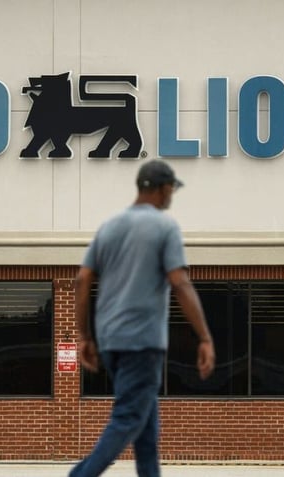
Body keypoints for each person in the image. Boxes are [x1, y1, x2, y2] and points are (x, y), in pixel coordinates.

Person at [70, 159, 216, 477]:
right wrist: (204, 337)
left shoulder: (109, 227)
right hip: (142, 342)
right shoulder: (165, 227)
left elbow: (82, 280)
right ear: (162, 189)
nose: (172, 196)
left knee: (146, 433)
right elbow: (179, 282)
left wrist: (84, 336)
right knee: (127, 418)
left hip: (111, 342)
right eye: (171, 189)